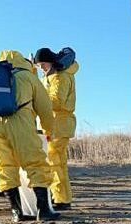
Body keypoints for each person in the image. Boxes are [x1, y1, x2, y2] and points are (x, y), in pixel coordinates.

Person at [0, 50, 60, 222]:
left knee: (4, 167)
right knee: (35, 162)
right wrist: (49, 130)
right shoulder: (27, 76)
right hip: (19, 121)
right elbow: (45, 106)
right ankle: (43, 209)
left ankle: (17, 212)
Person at [34, 47, 79, 210]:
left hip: (59, 124)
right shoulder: (51, 77)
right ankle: (60, 197)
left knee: (55, 162)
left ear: (51, 62)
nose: (41, 68)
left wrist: (37, 101)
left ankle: (62, 200)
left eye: (43, 65)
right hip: (52, 124)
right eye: (39, 66)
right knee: (56, 162)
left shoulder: (61, 77)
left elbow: (56, 101)